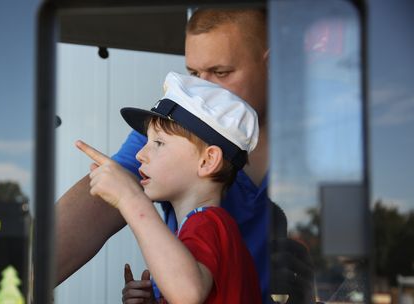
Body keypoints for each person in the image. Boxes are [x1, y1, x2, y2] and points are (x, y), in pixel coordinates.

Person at [56, 8, 314, 304]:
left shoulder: (324, 147)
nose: (200, 88)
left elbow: (190, 292)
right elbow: (90, 212)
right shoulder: (171, 131)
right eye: (193, 73)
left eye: (220, 72)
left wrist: (131, 198)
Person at [77, 71, 262, 303]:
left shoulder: (207, 223)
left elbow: (188, 294)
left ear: (207, 161)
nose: (140, 154)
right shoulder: (203, 226)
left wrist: (130, 198)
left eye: (159, 143)